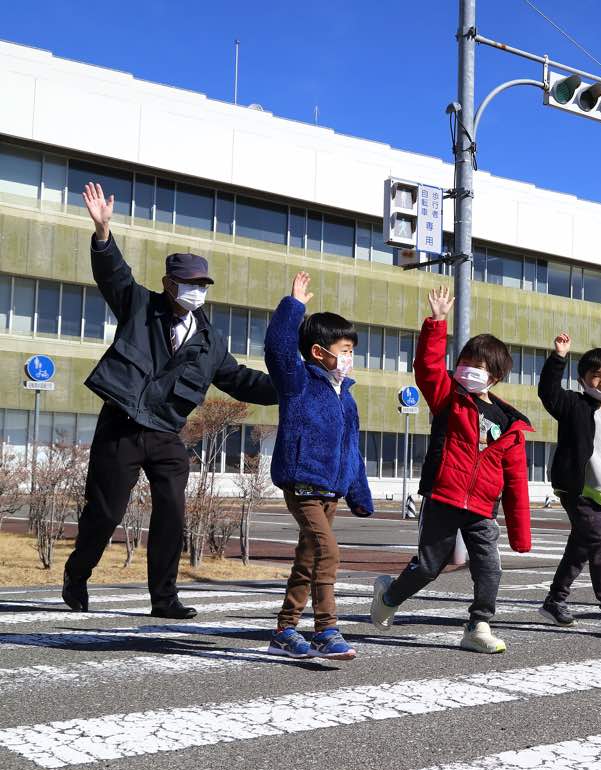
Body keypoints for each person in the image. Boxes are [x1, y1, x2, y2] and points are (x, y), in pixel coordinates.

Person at [62, 182, 275, 619]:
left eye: (202, 283)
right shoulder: (140, 306)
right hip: (121, 424)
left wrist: (291, 386)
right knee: (106, 512)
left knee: (172, 513)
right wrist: (103, 234)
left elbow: (240, 380)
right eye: (189, 283)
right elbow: (113, 275)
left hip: (165, 434)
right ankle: (77, 574)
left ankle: (164, 599)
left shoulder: (210, 341)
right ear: (168, 283)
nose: (197, 290)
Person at [369, 286, 532, 653]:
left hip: (482, 508)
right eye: (467, 362)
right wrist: (437, 322)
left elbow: (516, 480)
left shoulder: (509, 423)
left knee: (489, 567)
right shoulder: (448, 397)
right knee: (428, 567)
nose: (471, 370)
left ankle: (478, 625)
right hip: (443, 497)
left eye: (481, 366)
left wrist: (521, 535)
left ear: (496, 376)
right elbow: (427, 367)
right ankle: (390, 596)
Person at [264, 272, 373, 659]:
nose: (349, 356)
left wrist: (359, 494)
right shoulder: (298, 382)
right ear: (317, 352)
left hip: (331, 492)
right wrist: (293, 306)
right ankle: (326, 629)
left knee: (308, 558)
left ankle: (284, 629)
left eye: (350, 349)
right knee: (328, 552)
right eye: (344, 348)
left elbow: (352, 449)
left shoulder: (346, 397)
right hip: (303, 485)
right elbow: (277, 350)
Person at [536, 333, 601, 634]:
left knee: (579, 548)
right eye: (596, 376)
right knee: (599, 544)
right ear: (582, 379)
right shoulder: (572, 404)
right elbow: (548, 393)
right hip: (577, 489)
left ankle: (555, 600)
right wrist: (558, 358)